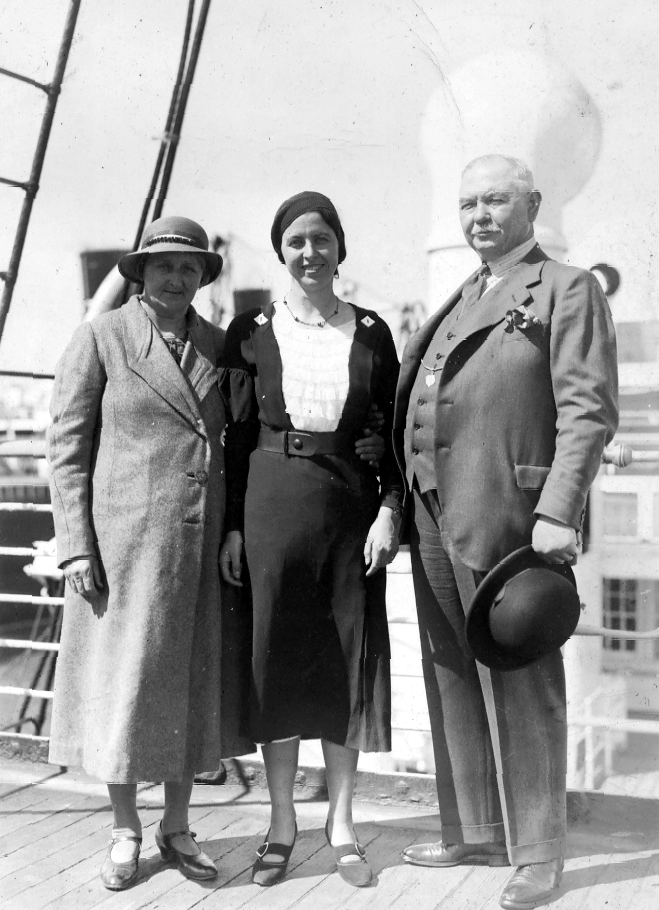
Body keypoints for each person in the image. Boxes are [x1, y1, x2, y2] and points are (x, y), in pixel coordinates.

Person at [394, 156, 618, 909]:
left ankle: (540, 853)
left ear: (532, 204)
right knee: (451, 671)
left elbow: (588, 410)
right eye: (467, 204)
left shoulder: (567, 288)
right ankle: (476, 829)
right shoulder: (464, 294)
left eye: (494, 200)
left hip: (512, 513)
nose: (479, 216)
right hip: (432, 509)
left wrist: (558, 509)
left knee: (521, 673)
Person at [47, 215, 254, 891]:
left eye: (189, 267)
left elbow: (236, 447)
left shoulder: (220, 346)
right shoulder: (101, 337)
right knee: (125, 688)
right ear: (140, 273)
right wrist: (76, 548)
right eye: (164, 265)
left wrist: (232, 529)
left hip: (198, 545)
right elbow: (66, 449)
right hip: (123, 552)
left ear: (202, 277)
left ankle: (177, 826)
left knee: (189, 687)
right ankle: (124, 829)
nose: (177, 277)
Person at [219, 191, 403, 888]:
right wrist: (234, 526)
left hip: (349, 509)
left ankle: (343, 824)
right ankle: (280, 825)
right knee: (276, 658)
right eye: (296, 241)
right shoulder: (250, 329)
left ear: (339, 246)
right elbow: (236, 438)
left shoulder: (373, 332)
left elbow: (392, 434)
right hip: (270, 504)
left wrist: (389, 511)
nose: (309, 252)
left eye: (321, 238)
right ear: (281, 251)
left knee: (344, 659)